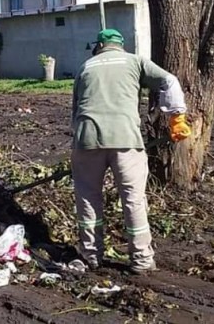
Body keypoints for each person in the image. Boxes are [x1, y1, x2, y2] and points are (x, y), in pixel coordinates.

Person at [70, 28, 191, 275]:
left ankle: (91, 255)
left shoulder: (86, 67)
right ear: (120, 45)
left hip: (86, 139)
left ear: (99, 45)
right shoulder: (135, 61)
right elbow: (169, 81)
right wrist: (176, 117)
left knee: (88, 197)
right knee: (133, 199)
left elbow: (75, 112)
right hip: (126, 139)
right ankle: (141, 260)